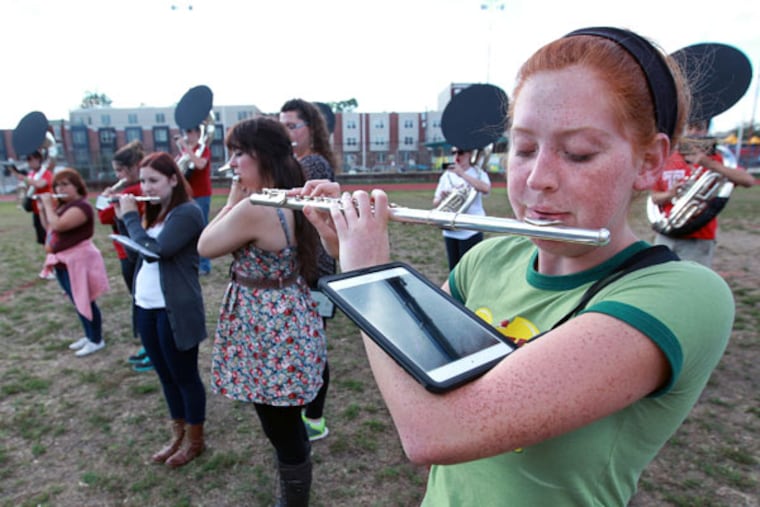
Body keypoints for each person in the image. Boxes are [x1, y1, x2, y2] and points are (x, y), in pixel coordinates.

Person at [297, 27, 735, 505]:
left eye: (578, 153)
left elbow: (435, 432)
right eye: (523, 149)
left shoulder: (683, 295)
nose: (538, 178)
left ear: (650, 161)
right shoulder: (488, 257)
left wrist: (368, 278)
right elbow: (422, 368)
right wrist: (348, 246)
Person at [198, 117, 326, 506]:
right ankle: (294, 491)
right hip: (287, 316)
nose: (232, 163)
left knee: (280, 427)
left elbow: (205, 244)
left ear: (263, 156)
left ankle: (294, 500)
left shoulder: (256, 205)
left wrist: (233, 195)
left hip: (267, 329)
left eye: (239, 153)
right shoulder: (287, 195)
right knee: (286, 423)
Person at [115, 152, 207, 468]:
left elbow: (158, 251)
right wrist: (120, 214)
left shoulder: (187, 213)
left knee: (185, 377)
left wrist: (128, 218)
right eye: (142, 180)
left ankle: (196, 441)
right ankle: (177, 435)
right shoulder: (154, 213)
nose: (146, 187)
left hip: (174, 310)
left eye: (153, 180)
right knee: (166, 377)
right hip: (146, 306)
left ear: (172, 179)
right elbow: (139, 246)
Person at [280, 98, 337, 441]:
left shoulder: (312, 164)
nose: (285, 132)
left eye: (291, 125)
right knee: (305, 345)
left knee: (313, 348)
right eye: (281, 125)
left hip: (315, 268)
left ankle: (314, 419)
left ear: (310, 129)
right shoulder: (301, 161)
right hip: (307, 266)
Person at [650, 119, 754, 267]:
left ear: (706, 131)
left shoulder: (717, 159)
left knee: (692, 286)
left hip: (699, 238)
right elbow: (655, 198)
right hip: (666, 234)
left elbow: (748, 181)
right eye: (690, 128)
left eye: (698, 128)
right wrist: (670, 195)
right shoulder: (668, 159)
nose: (693, 132)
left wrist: (709, 164)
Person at [38, 168, 110, 357]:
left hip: (78, 261)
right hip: (63, 262)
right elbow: (50, 228)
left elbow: (60, 225)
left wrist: (47, 205)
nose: (60, 188)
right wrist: (42, 210)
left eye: (65, 184)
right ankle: (89, 335)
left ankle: (96, 339)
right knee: (76, 300)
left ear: (76, 185)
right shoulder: (64, 206)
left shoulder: (81, 207)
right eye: (57, 185)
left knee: (85, 299)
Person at [97, 140, 154, 372]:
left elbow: (102, 217)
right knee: (138, 301)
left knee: (142, 302)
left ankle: (152, 349)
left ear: (134, 168)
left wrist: (107, 199)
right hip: (126, 252)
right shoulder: (126, 191)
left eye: (120, 170)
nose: (117, 175)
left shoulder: (132, 192)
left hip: (132, 253)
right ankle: (148, 346)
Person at [432, 147, 491, 270]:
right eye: (453, 152)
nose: (456, 156)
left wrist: (462, 174)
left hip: (471, 229)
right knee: (454, 269)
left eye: (461, 152)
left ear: (469, 154)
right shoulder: (447, 175)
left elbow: (486, 189)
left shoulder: (478, 173)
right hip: (450, 229)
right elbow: (435, 202)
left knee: (470, 269)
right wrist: (442, 198)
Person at [175, 125, 213, 275]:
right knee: (189, 230)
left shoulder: (203, 149)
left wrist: (186, 148)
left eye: (189, 131)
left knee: (201, 230)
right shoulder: (185, 152)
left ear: (198, 133)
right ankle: (193, 262)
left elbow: (200, 164)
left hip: (201, 194)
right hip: (187, 195)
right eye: (185, 131)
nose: (186, 135)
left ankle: (204, 265)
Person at [15, 150, 56, 279]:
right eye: (28, 159)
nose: (30, 162)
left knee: (50, 239)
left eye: (32, 159)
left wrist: (24, 178)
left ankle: (51, 267)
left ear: (39, 159)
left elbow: (40, 184)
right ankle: (50, 265)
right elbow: (29, 189)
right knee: (44, 240)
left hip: (47, 211)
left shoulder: (46, 173)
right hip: (37, 211)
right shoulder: (32, 174)